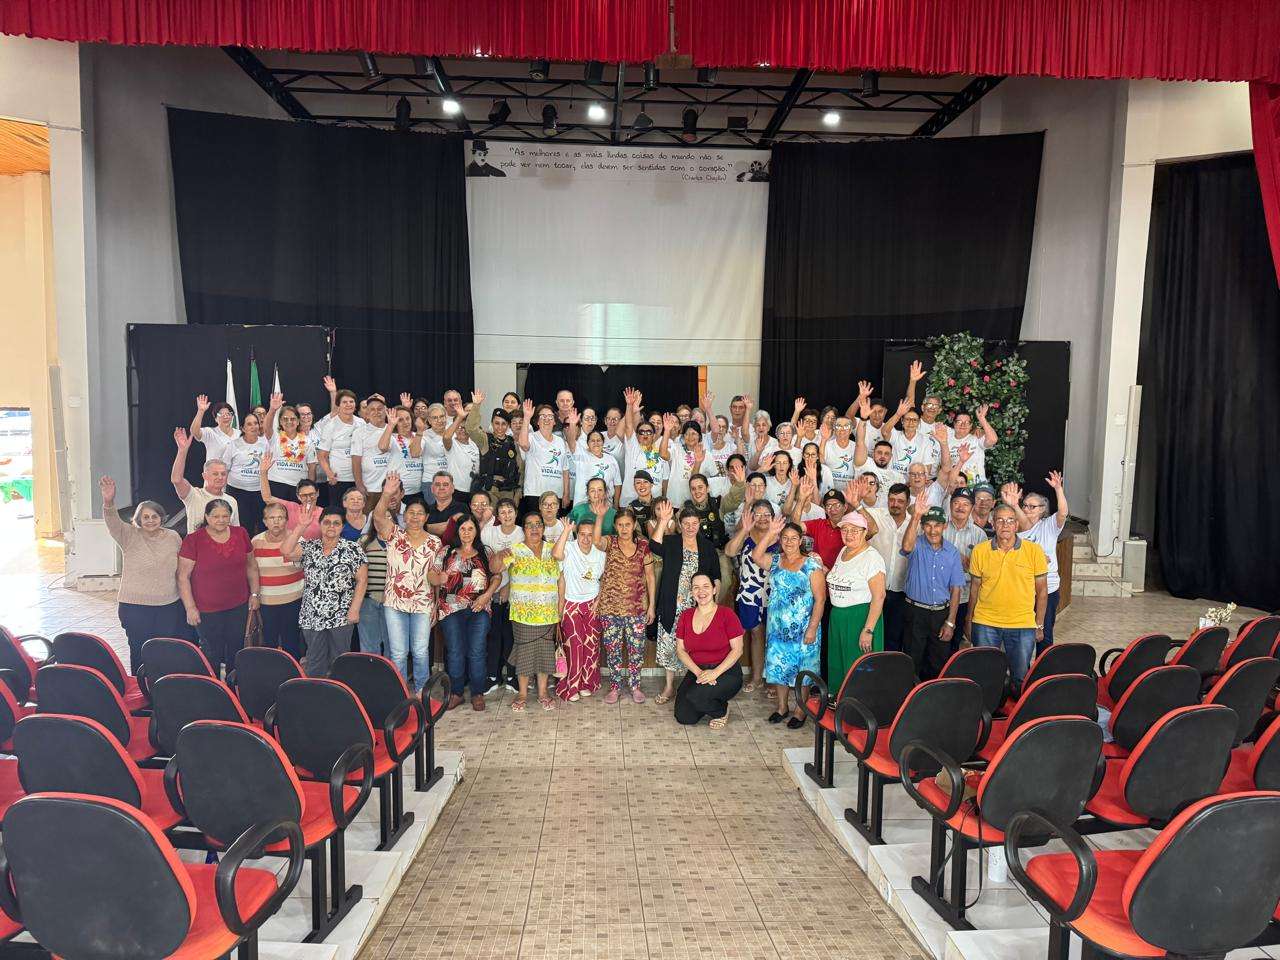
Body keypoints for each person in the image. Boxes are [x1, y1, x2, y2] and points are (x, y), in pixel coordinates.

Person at [99, 476, 186, 672]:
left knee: (165, 650)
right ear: (138, 519)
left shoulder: (173, 537)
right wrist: (108, 502)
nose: (150, 520)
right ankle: (140, 687)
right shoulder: (128, 535)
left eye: (154, 516)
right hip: (135, 607)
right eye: (145, 517)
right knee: (138, 650)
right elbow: (112, 521)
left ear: (161, 518)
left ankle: (163, 685)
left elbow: (181, 567)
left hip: (168, 605)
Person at [372, 473, 445, 693]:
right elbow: (378, 517)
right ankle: (401, 693)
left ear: (426, 517)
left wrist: (436, 604)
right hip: (395, 603)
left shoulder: (435, 543)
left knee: (421, 651)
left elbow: (435, 576)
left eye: (420, 513)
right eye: (411, 513)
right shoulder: (394, 534)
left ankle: (423, 692)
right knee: (398, 653)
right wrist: (387, 494)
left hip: (423, 603)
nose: (415, 517)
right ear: (404, 517)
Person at [752, 517, 825, 728]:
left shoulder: (811, 564)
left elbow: (820, 599)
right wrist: (770, 533)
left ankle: (800, 711)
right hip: (778, 628)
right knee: (779, 668)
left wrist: (812, 628)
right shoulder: (775, 560)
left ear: (801, 540)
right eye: (785, 538)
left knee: (803, 671)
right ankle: (782, 707)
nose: (789, 542)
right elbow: (756, 556)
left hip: (804, 628)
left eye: (794, 538)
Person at [966, 502, 1049, 685]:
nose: (1005, 525)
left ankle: (1017, 704)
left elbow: (1042, 591)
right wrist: (969, 620)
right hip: (985, 622)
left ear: (1017, 525)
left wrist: (1039, 624)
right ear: (993, 523)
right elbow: (974, 589)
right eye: (1000, 520)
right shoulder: (980, 551)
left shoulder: (1034, 551)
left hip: (1022, 624)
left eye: (1010, 520)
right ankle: (988, 704)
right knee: (985, 676)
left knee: (1020, 676)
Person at [280, 505, 367, 678]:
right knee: (315, 661)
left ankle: (340, 692)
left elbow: (362, 580)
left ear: (342, 527)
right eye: (326, 522)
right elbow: (286, 551)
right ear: (320, 525)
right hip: (312, 616)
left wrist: (355, 609)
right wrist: (301, 526)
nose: (331, 526)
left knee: (340, 661)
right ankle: (316, 692)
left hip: (341, 615)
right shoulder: (310, 546)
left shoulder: (352, 549)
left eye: (336, 523)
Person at [177, 498, 258, 678]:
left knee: (236, 648)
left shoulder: (241, 533)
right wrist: (190, 608)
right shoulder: (194, 540)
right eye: (215, 516)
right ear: (206, 517)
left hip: (238, 605)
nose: (221, 520)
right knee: (211, 651)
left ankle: (234, 686)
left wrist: (255, 594)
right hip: (206, 609)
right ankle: (212, 687)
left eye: (225, 516)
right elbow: (183, 577)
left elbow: (251, 566)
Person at [651, 501, 722, 705]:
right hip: (672, 603)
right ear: (680, 525)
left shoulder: (707, 547)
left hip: (698, 605)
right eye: (686, 524)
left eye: (694, 523)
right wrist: (663, 520)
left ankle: (695, 683)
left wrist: (713, 603)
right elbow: (654, 546)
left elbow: (716, 576)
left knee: (695, 645)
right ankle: (669, 686)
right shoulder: (672, 542)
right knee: (670, 644)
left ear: (699, 524)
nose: (690, 527)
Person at [493, 511, 562, 711]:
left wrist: (560, 609)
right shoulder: (515, 550)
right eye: (529, 525)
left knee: (544, 654)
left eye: (538, 524)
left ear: (543, 528)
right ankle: (522, 693)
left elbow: (561, 579)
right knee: (524, 654)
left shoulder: (553, 550)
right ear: (524, 529)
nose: (534, 528)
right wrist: (498, 556)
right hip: (523, 613)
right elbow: (495, 569)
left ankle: (543, 692)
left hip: (548, 612)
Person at [899, 496, 967, 679]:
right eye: (928, 525)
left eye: (937, 525)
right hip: (915, 612)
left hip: (940, 614)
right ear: (922, 527)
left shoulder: (952, 552)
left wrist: (950, 622)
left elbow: (956, 589)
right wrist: (916, 516)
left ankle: (933, 695)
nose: (932, 530)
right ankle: (911, 695)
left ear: (944, 527)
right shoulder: (916, 544)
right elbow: (906, 546)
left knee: (937, 662)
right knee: (911, 661)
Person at [594, 506, 655, 703]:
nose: (624, 528)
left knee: (636, 650)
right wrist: (600, 517)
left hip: (636, 609)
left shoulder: (643, 545)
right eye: (620, 525)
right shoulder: (610, 542)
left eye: (628, 524)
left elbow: (650, 577)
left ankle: (635, 686)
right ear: (615, 526)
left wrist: (651, 606)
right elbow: (596, 541)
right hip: (610, 608)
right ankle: (615, 687)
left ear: (634, 524)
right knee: (613, 650)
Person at [438, 515, 497, 711]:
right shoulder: (447, 552)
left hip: (478, 608)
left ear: (476, 531)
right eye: (462, 528)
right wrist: (438, 578)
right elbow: (433, 574)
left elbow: (497, 576)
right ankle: (456, 693)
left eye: (470, 528)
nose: (466, 532)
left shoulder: (485, 552)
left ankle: (477, 693)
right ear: (457, 531)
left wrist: (486, 596)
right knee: (455, 651)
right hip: (450, 608)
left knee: (477, 651)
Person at [1007, 472, 1069, 654]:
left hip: (1048, 588)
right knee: (1021, 635)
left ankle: (1043, 668)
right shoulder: (1016, 527)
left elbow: (1063, 512)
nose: (1027, 509)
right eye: (1025, 505)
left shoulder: (1049, 525)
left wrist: (1058, 489)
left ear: (1043, 509)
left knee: (1044, 635)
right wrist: (1014, 505)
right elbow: (1024, 525)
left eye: (1032, 506)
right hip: (1022, 588)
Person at [673, 573, 745, 728]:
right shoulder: (686, 616)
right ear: (692, 591)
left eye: (706, 586)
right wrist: (699, 673)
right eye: (696, 587)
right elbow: (680, 650)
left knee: (696, 696)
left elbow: (738, 650)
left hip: (726, 671)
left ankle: (721, 710)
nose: (701, 591)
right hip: (698, 670)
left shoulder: (727, 614)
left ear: (714, 590)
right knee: (684, 716)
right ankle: (705, 699)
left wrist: (715, 673)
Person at [825, 510, 886, 687]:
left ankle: (857, 703)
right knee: (839, 665)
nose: (848, 534)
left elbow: (879, 596)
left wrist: (868, 630)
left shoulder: (872, 557)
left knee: (858, 668)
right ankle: (839, 699)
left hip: (860, 618)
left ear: (865, 532)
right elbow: (841, 579)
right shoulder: (844, 551)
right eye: (844, 530)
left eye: (854, 530)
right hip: (838, 617)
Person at [554, 509, 607, 702]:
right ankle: (571, 686)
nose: (586, 539)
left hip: (592, 604)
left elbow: (605, 579)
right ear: (577, 534)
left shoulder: (600, 555)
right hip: (571, 604)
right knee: (575, 646)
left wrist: (599, 600)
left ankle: (587, 683)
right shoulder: (569, 547)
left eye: (590, 535)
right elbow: (556, 554)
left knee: (591, 646)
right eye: (582, 534)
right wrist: (566, 530)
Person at [725, 498, 777, 694]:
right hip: (750, 593)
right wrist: (744, 530)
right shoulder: (746, 534)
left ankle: (772, 679)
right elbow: (730, 551)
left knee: (773, 636)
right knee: (756, 633)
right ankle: (756, 678)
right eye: (758, 515)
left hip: (775, 593)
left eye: (766, 515)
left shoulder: (780, 537)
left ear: (773, 517)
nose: (762, 518)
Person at [480, 497, 523, 693]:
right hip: (493, 591)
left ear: (516, 513)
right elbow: (488, 561)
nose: (506, 515)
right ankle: (493, 676)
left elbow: (520, 565)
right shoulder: (490, 532)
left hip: (515, 592)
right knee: (494, 634)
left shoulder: (521, 533)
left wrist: (509, 587)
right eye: (502, 512)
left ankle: (512, 676)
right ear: (498, 515)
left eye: (510, 511)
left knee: (511, 635)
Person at [251, 501, 304, 657]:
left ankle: (293, 670)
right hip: (266, 602)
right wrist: (254, 595)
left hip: (294, 600)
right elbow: (252, 570)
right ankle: (271, 670)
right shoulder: (255, 542)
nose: (276, 521)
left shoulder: (298, 539)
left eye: (280, 517)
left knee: (292, 642)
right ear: (264, 521)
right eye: (271, 518)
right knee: (269, 642)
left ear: (286, 520)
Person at [171, 428, 240, 533]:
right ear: (204, 476)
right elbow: (176, 480)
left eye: (223, 474)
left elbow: (236, 532)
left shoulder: (232, 501)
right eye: (215, 474)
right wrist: (182, 451)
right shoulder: (194, 495)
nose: (220, 477)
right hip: (197, 543)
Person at [942, 489, 986, 650]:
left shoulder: (979, 535)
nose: (960, 507)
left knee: (956, 642)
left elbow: (980, 570)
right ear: (950, 505)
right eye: (956, 503)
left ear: (972, 507)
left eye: (965, 504)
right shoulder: (939, 527)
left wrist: (965, 562)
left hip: (964, 596)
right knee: (936, 642)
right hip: (939, 594)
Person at [874, 483, 911, 653]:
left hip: (901, 591)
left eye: (900, 501)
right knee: (873, 634)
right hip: (876, 589)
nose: (895, 504)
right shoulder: (876, 516)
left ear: (908, 502)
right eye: (892, 500)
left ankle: (890, 668)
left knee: (894, 637)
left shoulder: (915, 524)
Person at [518, 399, 569, 518]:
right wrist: (526, 417)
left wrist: (566, 493)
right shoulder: (531, 437)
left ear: (554, 421)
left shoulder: (561, 442)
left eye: (550, 416)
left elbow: (565, 469)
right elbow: (523, 444)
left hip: (556, 495)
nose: (547, 419)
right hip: (535, 493)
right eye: (543, 416)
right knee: (535, 525)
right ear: (537, 421)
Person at [317, 388, 363, 508]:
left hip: (360, 478)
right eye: (344, 402)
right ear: (338, 405)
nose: (348, 404)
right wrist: (330, 474)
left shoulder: (361, 423)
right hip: (338, 479)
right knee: (338, 513)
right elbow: (321, 456)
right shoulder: (330, 426)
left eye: (351, 401)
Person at [223, 412, 268, 535]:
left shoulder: (266, 444)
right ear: (242, 428)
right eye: (249, 424)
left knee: (263, 527)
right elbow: (225, 469)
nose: (253, 427)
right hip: (237, 492)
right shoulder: (234, 444)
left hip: (260, 492)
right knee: (242, 528)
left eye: (255, 423)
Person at [264, 394, 315, 500]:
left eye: (292, 419)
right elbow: (267, 428)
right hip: (276, 484)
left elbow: (312, 468)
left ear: (298, 421)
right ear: (280, 421)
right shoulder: (275, 437)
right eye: (285, 419)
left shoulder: (308, 441)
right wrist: (272, 409)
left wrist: (310, 491)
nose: (289, 422)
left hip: (299, 487)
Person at [620, 388, 665, 506]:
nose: (645, 434)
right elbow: (629, 426)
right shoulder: (632, 447)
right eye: (641, 432)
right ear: (636, 435)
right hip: (629, 503)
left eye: (649, 432)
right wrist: (629, 405)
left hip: (654, 504)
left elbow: (664, 480)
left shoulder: (660, 452)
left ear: (654, 435)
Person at [258, 459, 323, 539]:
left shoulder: (324, 513)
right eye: (304, 495)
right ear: (298, 496)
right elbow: (267, 498)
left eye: (311, 494)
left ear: (317, 493)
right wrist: (263, 473)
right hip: (290, 546)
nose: (308, 498)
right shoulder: (291, 507)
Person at [356, 513, 389, 657]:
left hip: (392, 602)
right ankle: (370, 671)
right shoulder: (364, 541)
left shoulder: (401, 542)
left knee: (393, 646)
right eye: (378, 518)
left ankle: (390, 672)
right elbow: (355, 569)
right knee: (369, 646)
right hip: (368, 600)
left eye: (387, 517)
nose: (382, 521)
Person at [350, 395, 394, 502]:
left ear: (386, 411)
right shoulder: (359, 432)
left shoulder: (393, 429)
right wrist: (359, 485)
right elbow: (356, 461)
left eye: (379, 409)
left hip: (391, 487)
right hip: (369, 487)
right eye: (372, 409)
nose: (376, 412)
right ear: (367, 413)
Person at [567, 426, 622, 508]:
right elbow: (571, 442)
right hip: (583, 506)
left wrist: (616, 505)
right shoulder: (581, 456)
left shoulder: (611, 459)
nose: (596, 443)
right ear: (587, 443)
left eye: (598, 440)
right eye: (592, 441)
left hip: (606, 506)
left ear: (603, 442)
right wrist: (572, 424)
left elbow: (617, 484)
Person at [477, 408, 522, 502]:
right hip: (489, 488)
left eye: (503, 424)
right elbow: (470, 428)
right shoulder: (485, 439)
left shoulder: (512, 443)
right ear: (492, 423)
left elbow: (520, 469)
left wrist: (518, 491)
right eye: (497, 423)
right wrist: (476, 405)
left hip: (508, 490)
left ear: (508, 425)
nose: (500, 427)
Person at [949, 405, 998, 486]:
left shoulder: (976, 438)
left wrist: (982, 419)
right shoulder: (946, 440)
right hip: (956, 487)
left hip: (978, 487)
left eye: (967, 422)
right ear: (954, 424)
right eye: (959, 422)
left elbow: (993, 440)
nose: (963, 425)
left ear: (971, 425)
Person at [189, 395, 240, 466]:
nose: (225, 417)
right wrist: (201, 411)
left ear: (232, 417)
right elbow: (194, 431)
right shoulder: (210, 433)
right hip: (214, 472)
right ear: (215, 419)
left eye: (228, 414)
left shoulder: (239, 434)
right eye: (221, 414)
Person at [386, 404, 424, 498]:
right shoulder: (392, 437)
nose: (405, 422)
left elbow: (415, 453)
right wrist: (390, 425)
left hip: (419, 489)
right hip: (398, 491)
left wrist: (419, 432)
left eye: (407, 418)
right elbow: (382, 447)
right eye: (400, 420)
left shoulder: (420, 436)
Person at [424, 471, 470, 539]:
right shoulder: (425, 510)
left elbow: (456, 531)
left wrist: (425, 528)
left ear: (453, 488)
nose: (441, 488)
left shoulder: (462, 508)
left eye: (445, 484)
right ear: (432, 489)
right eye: (437, 484)